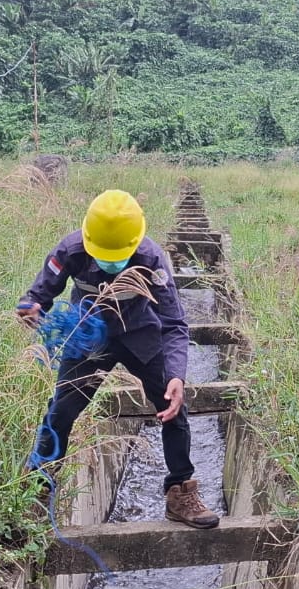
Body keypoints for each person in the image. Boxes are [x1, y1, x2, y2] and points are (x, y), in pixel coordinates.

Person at [16, 189, 219, 529]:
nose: (111, 262)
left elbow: (173, 322)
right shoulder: (70, 250)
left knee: (172, 406)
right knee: (61, 411)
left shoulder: (151, 258)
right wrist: (30, 308)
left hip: (140, 335)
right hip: (89, 336)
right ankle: (37, 491)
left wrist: (176, 375)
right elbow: (39, 295)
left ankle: (180, 492)